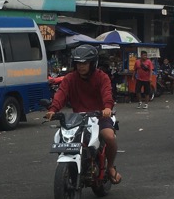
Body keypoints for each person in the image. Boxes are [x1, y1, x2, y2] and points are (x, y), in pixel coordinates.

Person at [45, 45, 121, 185]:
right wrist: (53, 109)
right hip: (78, 118)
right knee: (63, 139)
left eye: (85, 63)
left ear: (92, 63)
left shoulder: (101, 77)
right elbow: (61, 94)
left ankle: (110, 167)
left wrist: (107, 108)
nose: (81, 66)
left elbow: (107, 94)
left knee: (109, 137)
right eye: (78, 63)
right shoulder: (70, 79)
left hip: (100, 116)